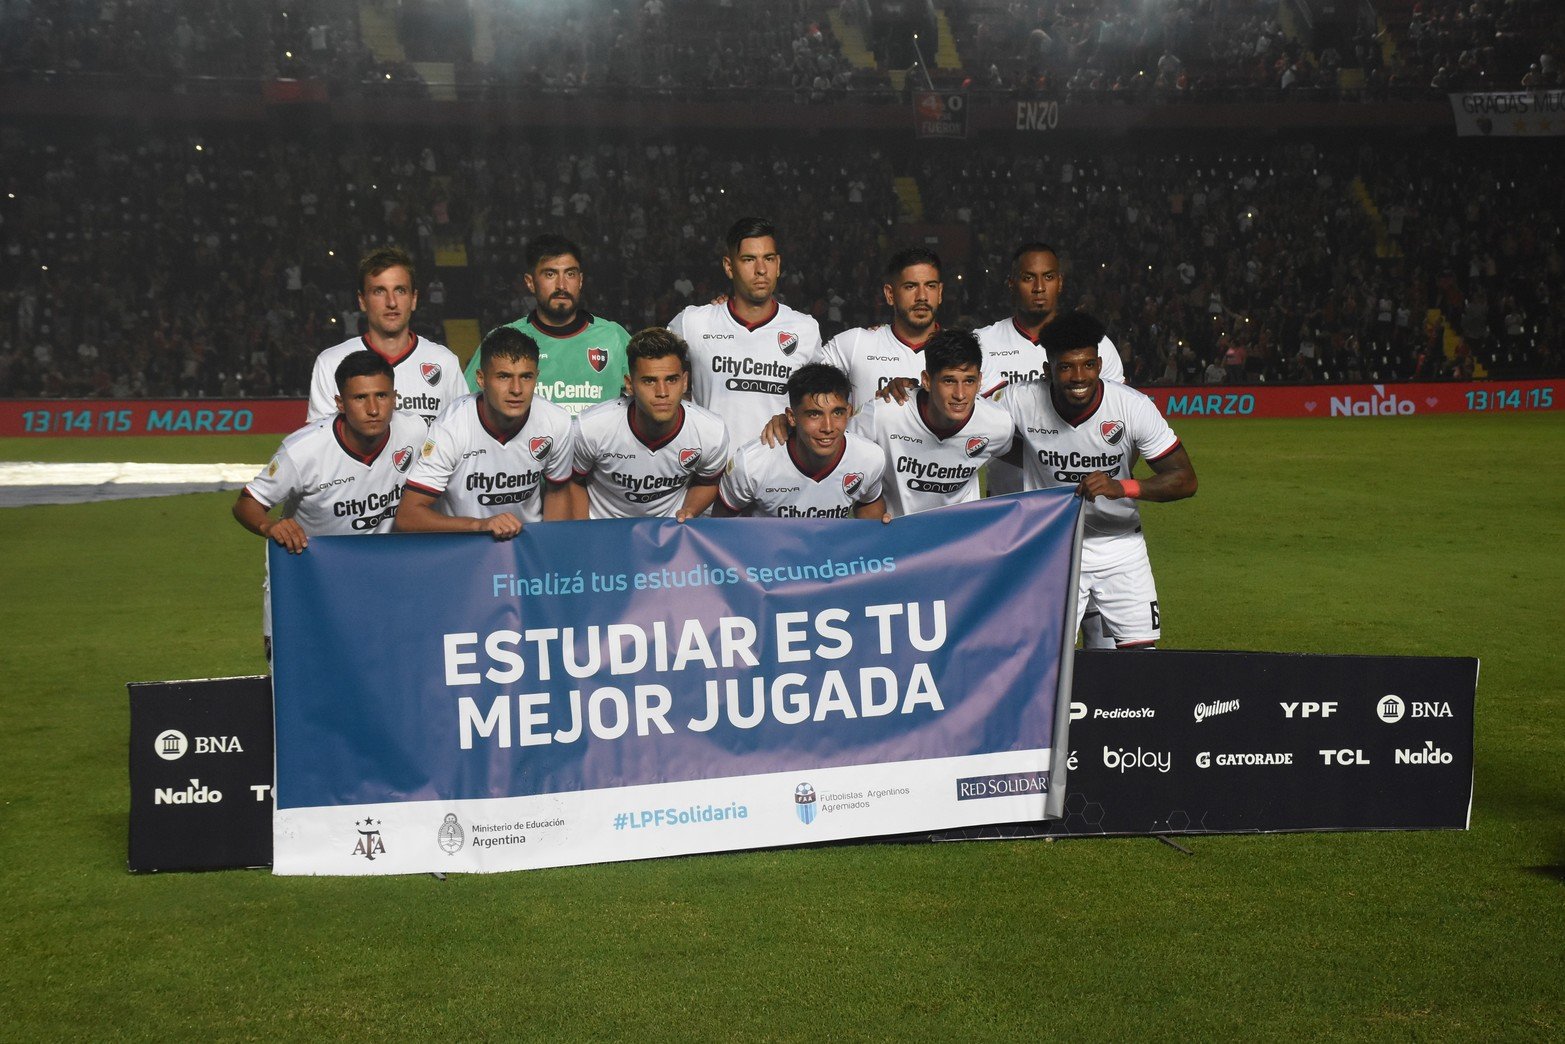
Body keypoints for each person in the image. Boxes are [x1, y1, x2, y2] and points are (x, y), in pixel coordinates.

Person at [998, 312, 1196, 649]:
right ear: (1048, 370)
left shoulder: (1132, 407)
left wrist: (1123, 487)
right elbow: (968, 427)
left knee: (1141, 655)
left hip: (1120, 547)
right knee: (1047, 659)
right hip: (1052, 549)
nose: (1079, 377)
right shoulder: (1020, 399)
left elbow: (1185, 479)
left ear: (1100, 365)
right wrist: (913, 392)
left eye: (1087, 365)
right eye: (1066, 367)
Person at [234, 351, 427, 657]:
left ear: (396, 398)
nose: (374, 409)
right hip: (308, 586)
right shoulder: (303, 451)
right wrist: (270, 525)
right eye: (360, 398)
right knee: (296, 685)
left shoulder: (415, 432)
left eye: (382, 396)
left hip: (380, 586)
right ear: (340, 404)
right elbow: (246, 503)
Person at [395, 326, 576, 539]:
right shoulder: (452, 427)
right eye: (503, 377)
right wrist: (481, 526)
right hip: (465, 544)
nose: (516, 389)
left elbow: (558, 492)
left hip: (526, 543)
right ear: (481, 379)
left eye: (526, 377)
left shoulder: (556, 421)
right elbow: (407, 517)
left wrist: (550, 549)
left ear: (536, 377)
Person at [668, 217, 822, 445]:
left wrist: (792, 421)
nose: (761, 270)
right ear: (729, 267)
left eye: (768, 259)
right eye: (749, 259)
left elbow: (821, 404)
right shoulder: (693, 322)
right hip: (710, 473)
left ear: (778, 265)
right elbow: (651, 375)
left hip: (778, 475)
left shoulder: (805, 329)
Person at [570, 327, 729, 520]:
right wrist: (585, 530)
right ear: (630, 385)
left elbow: (707, 482)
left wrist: (690, 510)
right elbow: (573, 482)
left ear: (685, 382)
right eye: (649, 381)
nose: (662, 392)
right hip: (605, 531)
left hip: (668, 532)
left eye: (671, 380)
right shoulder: (591, 427)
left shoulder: (711, 432)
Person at [849, 330, 1013, 517]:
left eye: (969, 381)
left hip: (961, 539)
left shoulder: (998, 424)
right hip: (899, 538)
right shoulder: (883, 415)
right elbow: (844, 458)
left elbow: (1025, 453)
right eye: (949, 381)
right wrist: (872, 518)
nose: (960, 394)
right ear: (926, 381)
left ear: (980, 381)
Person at [462, 234, 630, 416]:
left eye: (570, 274)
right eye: (550, 274)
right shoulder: (502, 340)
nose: (561, 285)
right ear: (530, 282)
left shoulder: (614, 337)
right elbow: (464, 407)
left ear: (580, 280)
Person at [307, 247, 467, 424]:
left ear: (413, 299)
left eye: (400, 290)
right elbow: (320, 443)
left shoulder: (444, 362)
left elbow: (464, 437)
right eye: (379, 291)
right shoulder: (331, 363)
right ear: (362, 301)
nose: (391, 302)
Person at [717, 363, 887, 520]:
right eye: (814, 414)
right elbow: (719, 529)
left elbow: (869, 503)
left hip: (830, 553)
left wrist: (879, 532)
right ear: (791, 417)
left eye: (837, 413)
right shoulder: (750, 464)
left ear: (849, 412)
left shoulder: (870, 457)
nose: (828, 427)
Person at [976, 242, 1125, 399]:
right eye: (1028, 278)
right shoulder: (982, 344)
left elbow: (1116, 407)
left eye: (1048, 277)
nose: (1039, 287)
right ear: (1012, 285)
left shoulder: (1095, 343)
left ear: (1060, 283)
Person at [819, 247, 945, 409]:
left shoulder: (963, 353)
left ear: (940, 292)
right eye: (910, 286)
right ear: (890, 295)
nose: (922, 296)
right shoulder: (855, 344)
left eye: (930, 286)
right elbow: (802, 390)